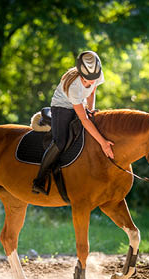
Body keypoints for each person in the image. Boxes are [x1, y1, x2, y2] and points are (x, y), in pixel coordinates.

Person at [32, 50, 114, 195]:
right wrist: (103, 142)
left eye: (95, 78)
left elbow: (92, 91)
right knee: (60, 142)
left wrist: (91, 109)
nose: (93, 81)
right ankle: (39, 180)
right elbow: (83, 119)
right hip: (62, 107)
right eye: (89, 79)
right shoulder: (73, 86)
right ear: (81, 75)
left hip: (79, 103)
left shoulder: (96, 74)